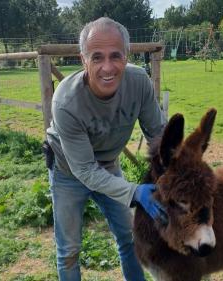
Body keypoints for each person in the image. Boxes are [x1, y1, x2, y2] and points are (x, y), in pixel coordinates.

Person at [45, 17, 167, 281]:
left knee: (129, 237)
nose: (107, 67)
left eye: (115, 56)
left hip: (108, 165)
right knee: (69, 249)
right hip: (69, 171)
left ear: (127, 56)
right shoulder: (66, 102)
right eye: (97, 57)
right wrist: (135, 192)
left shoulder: (139, 83)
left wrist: (179, 170)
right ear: (83, 60)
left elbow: (158, 134)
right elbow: (86, 170)